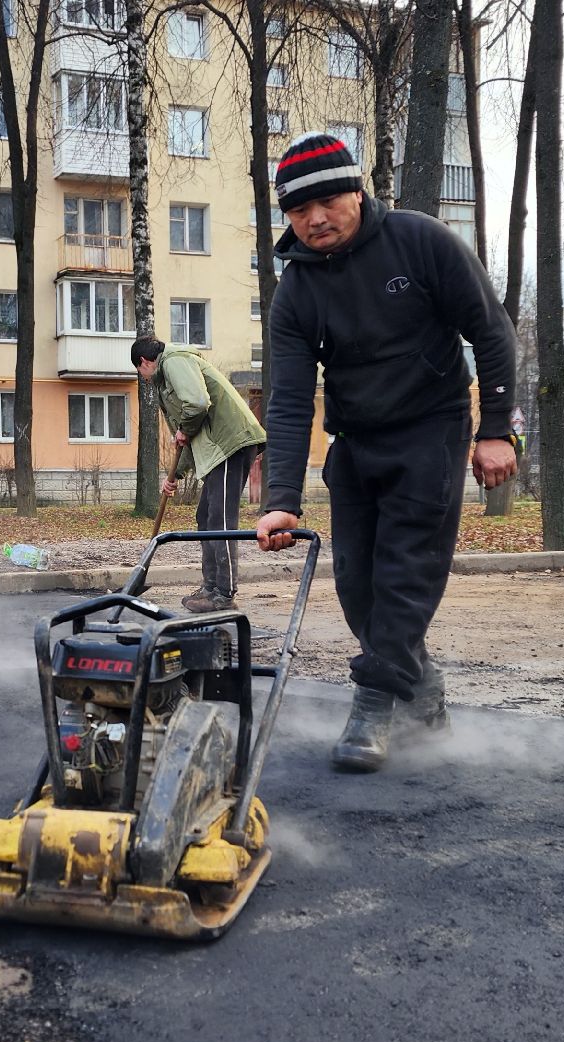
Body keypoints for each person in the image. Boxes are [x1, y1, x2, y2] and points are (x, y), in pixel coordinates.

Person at [251, 133, 520, 773]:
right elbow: (289, 399)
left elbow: (491, 330)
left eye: (328, 201)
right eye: (299, 209)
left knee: (404, 574)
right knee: (356, 587)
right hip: (356, 442)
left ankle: (373, 706)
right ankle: (423, 690)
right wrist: (281, 499)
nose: (316, 218)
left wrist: (495, 430)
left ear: (357, 191)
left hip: (432, 429)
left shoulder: (419, 240)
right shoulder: (297, 291)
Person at [132, 337, 267, 613]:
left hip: (230, 443)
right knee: (205, 516)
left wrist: (184, 429)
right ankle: (211, 586)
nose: (143, 379)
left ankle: (224, 594)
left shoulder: (174, 361)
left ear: (144, 362)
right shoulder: (166, 379)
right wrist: (175, 475)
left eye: (140, 372)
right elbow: (186, 437)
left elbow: (197, 403)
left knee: (220, 519)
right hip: (218, 448)